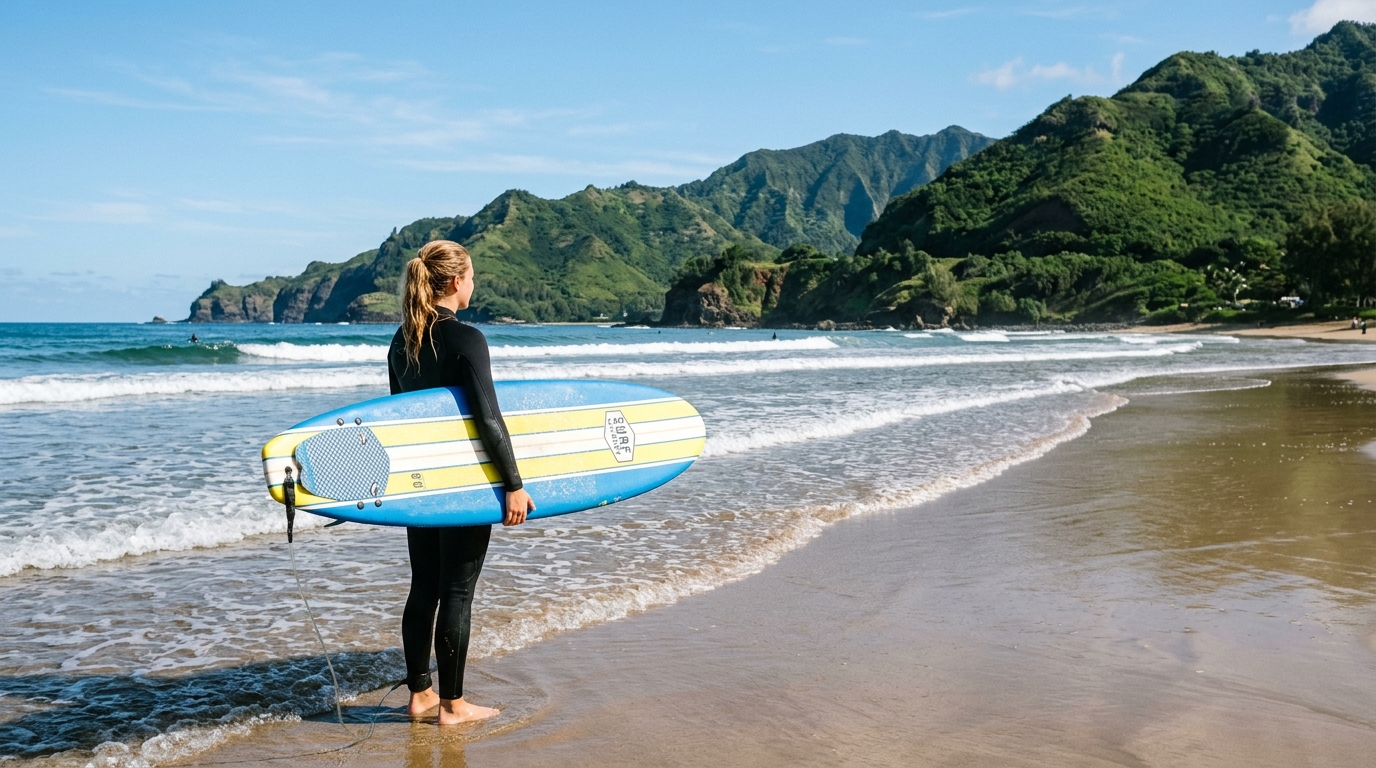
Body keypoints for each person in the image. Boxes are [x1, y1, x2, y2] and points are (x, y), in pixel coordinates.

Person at [386, 240, 536, 725]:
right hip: (468, 484)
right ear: (455, 282)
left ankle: (420, 695)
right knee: (457, 592)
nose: (474, 284)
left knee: (424, 587)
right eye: (472, 276)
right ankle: (453, 706)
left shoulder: (400, 341)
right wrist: (513, 483)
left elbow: (398, 424)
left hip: (421, 485)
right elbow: (488, 417)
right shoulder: (466, 338)